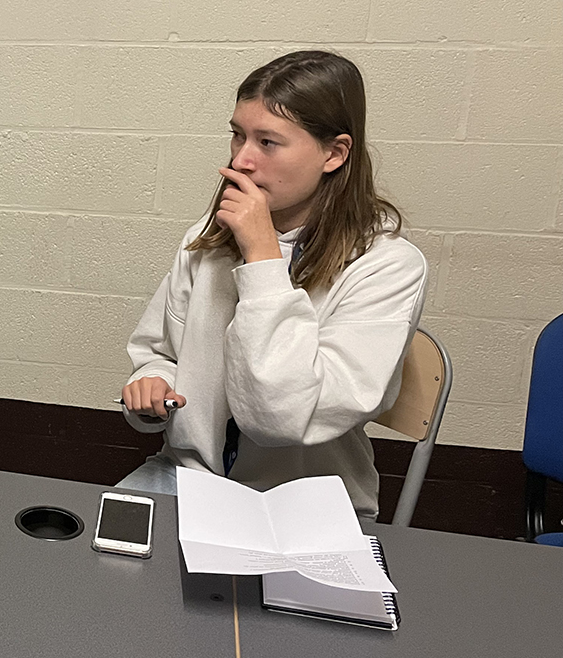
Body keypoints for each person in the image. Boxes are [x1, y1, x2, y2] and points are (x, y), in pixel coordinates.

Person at [117, 51, 427, 518]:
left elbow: (277, 420)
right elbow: (160, 351)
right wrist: (151, 383)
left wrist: (262, 258)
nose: (241, 160)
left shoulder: (387, 266)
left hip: (304, 504)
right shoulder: (210, 238)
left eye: (268, 142)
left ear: (334, 153)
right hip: (189, 480)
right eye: (238, 135)